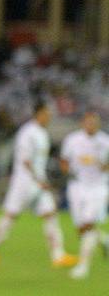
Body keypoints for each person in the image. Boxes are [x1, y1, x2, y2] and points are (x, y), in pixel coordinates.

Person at [0, 102, 77, 268]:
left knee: (50, 214)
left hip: (38, 183)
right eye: (47, 114)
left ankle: (58, 255)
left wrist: (41, 180)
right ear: (38, 114)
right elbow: (26, 161)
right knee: (10, 216)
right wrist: (39, 180)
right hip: (24, 182)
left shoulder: (42, 133)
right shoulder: (27, 132)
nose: (49, 117)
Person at [59, 111, 109, 279]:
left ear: (98, 124)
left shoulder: (105, 141)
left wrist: (102, 165)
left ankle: (83, 266)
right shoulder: (72, 140)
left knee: (88, 223)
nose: (91, 125)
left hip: (97, 187)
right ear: (83, 123)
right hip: (77, 186)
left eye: (94, 123)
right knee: (81, 228)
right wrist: (68, 171)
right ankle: (103, 239)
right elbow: (64, 161)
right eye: (88, 122)